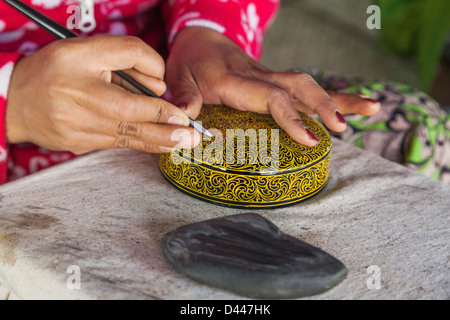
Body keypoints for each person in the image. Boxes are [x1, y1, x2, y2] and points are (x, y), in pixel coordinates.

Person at [1, 0, 396, 185]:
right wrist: (13, 100)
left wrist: (208, 32)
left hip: (178, 87)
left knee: (410, 135)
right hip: (18, 166)